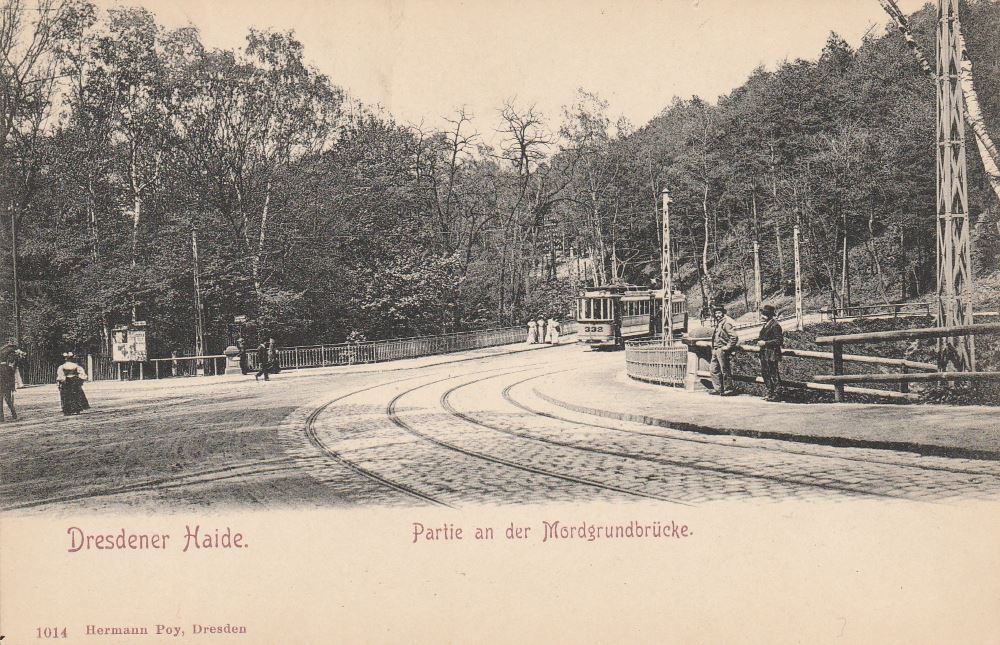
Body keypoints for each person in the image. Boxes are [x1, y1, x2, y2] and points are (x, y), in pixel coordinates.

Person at [708, 304, 739, 396]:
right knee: (713, 369)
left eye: (719, 313)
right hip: (716, 349)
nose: (717, 315)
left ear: (723, 313)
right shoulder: (719, 323)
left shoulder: (726, 323)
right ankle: (718, 389)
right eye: (716, 313)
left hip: (722, 349)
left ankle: (729, 389)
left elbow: (734, 337)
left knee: (725, 369)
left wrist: (728, 347)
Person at [757, 304, 784, 401]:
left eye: (763, 315)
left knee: (773, 374)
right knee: (765, 373)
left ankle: (777, 394)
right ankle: (770, 392)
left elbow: (779, 341)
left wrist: (765, 343)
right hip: (764, 354)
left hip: (772, 353)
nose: (761, 316)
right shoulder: (766, 324)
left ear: (768, 315)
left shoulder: (775, 325)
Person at [0, 339, 19, 422]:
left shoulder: (2, 350)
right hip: (6, 379)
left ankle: (1, 417)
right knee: (8, 398)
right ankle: (14, 414)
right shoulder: (11, 352)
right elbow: (12, 365)